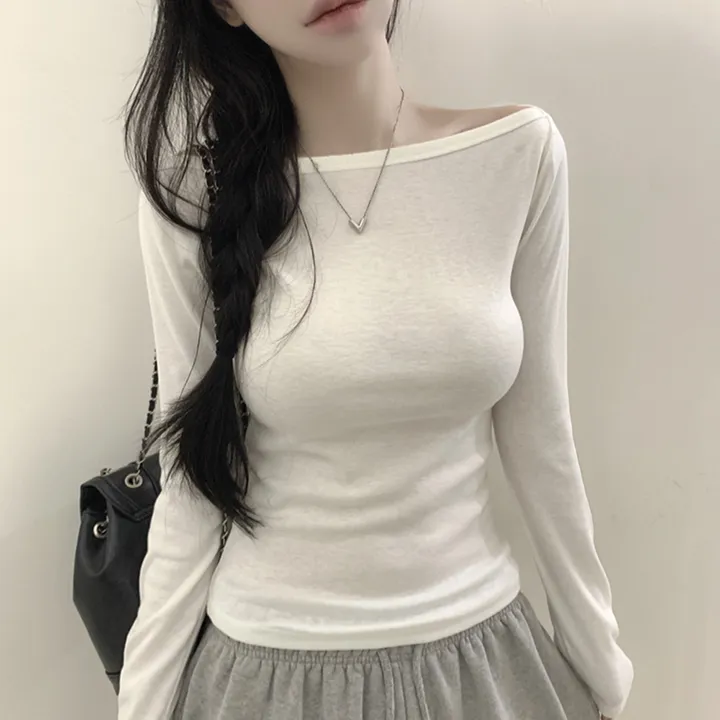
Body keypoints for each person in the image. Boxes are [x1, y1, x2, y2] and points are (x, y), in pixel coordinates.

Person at [117, 1, 633, 718]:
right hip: (269, 674)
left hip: (484, 657)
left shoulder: (517, 154)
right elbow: (193, 475)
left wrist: (600, 667)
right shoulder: (194, 190)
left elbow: (541, 435)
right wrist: (143, 704)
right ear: (223, 8)